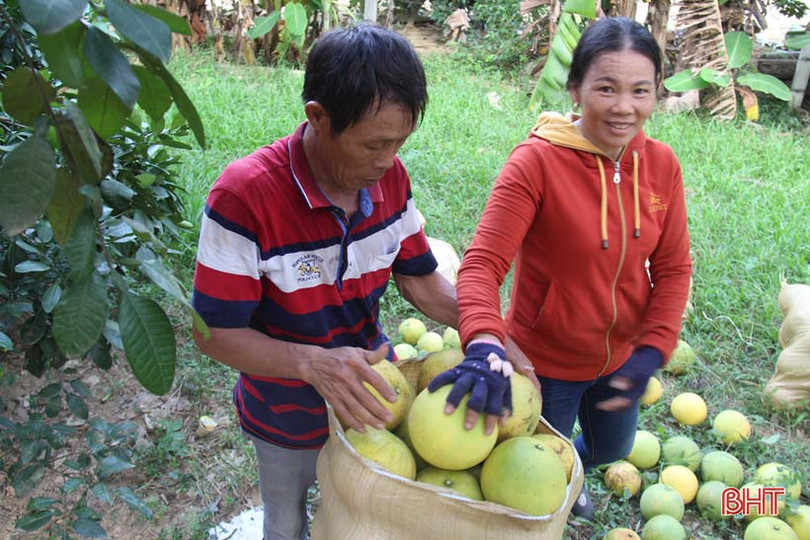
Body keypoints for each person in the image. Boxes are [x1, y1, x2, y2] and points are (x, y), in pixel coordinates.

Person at [191, 24, 459, 540]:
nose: (387, 162)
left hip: (374, 401)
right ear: (318, 116)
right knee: (287, 518)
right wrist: (312, 363)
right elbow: (214, 333)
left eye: (399, 143)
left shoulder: (389, 179)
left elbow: (421, 282)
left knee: (362, 519)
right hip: (284, 415)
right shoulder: (245, 197)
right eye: (374, 145)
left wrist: (489, 324)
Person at [430, 16, 692, 521]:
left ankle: (576, 468)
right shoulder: (536, 163)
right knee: (532, 473)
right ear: (575, 89)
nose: (624, 107)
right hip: (544, 362)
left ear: (657, 92)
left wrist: (653, 347)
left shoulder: (661, 165)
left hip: (622, 358)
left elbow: (674, 267)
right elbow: (483, 264)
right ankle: (562, 486)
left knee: (613, 449)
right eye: (606, 88)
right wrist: (484, 340)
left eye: (640, 90)